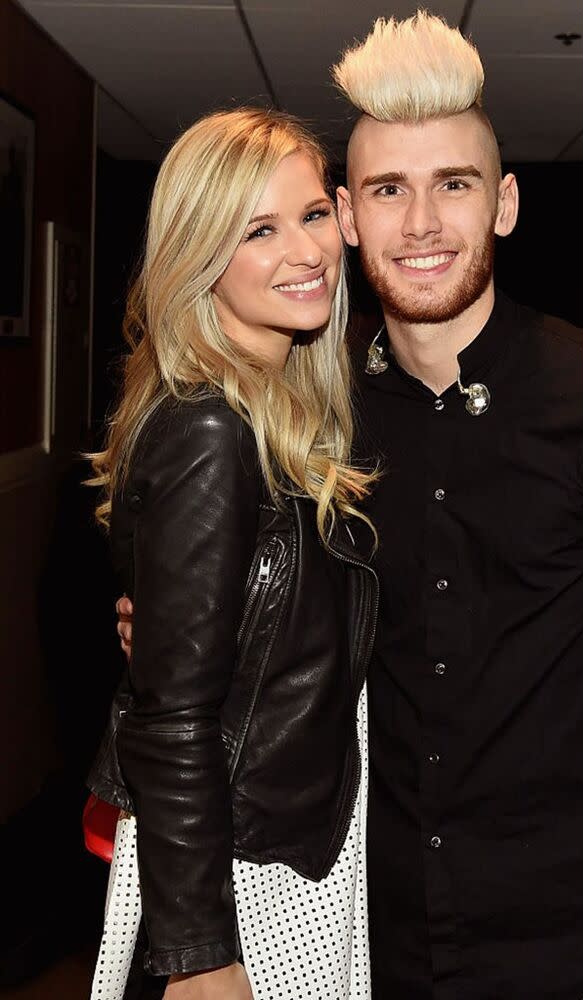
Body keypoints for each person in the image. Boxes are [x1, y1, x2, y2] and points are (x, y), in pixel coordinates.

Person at [118, 13, 583, 1000]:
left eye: (451, 185)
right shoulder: (320, 409)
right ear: (348, 214)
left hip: (572, 931)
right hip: (374, 921)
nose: (419, 224)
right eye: (386, 190)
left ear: (501, 203)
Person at [88, 107, 378, 1000]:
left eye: (312, 215)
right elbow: (171, 718)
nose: (306, 250)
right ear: (200, 256)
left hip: (291, 837)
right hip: (241, 871)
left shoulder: (290, 407)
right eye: (259, 229)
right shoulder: (210, 426)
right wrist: (201, 951)